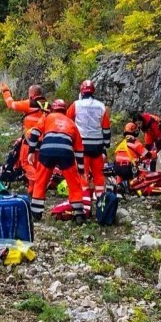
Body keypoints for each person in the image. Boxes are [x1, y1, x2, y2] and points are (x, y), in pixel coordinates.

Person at [27, 99, 86, 223]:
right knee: (74, 183)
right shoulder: (71, 123)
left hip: (47, 151)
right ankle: (79, 214)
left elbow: (34, 132)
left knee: (41, 181)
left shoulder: (47, 117)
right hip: (66, 152)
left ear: (53, 109)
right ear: (65, 110)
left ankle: (36, 214)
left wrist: (31, 151)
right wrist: (80, 168)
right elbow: (79, 149)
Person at [67, 79, 111, 209]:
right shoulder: (101, 106)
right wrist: (106, 146)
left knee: (83, 174)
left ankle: (85, 203)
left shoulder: (76, 105)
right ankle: (101, 202)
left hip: (82, 146)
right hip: (97, 146)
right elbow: (106, 128)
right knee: (99, 174)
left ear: (82, 91)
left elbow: (67, 121)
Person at [0, 82, 50, 188]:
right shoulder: (49, 105)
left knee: (26, 163)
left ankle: (40, 182)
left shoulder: (30, 103)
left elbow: (11, 104)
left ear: (32, 94)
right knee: (35, 165)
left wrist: (5, 91)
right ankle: (33, 191)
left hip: (30, 140)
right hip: (44, 141)